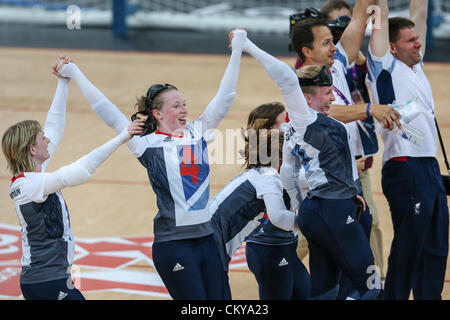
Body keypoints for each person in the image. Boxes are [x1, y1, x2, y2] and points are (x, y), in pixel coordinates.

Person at [55, 30, 248, 300]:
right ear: (157, 114)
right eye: (176, 106)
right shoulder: (145, 143)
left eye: (185, 104)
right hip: (174, 245)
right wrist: (74, 73)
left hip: (208, 239)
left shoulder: (198, 131)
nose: (184, 109)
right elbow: (107, 110)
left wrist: (238, 49)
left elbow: (226, 96)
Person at [241, 33, 380, 299]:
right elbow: (284, 76)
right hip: (333, 208)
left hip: (318, 209)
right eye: (327, 93)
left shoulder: (297, 128)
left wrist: (303, 202)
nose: (332, 99)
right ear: (306, 99)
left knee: (325, 288)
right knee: (369, 286)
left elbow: (289, 171)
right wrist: (247, 46)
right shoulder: (304, 120)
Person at [1, 56, 141, 300]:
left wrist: (64, 81)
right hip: (48, 281)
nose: (48, 140)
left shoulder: (30, 176)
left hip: (47, 279)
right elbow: (80, 171)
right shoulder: (31, 184)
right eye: (42, 138)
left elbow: (55, 124)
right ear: (32, 149)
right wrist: (122, 136)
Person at [367, 0, 449, 300]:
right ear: (391, 47)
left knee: (436, 248)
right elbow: (382, 16)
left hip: (427, 167)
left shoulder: (417, 67)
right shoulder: (384, 67)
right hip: (404, 166)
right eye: (411, 40)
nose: (418, 44)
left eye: (418, 39)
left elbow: (420, 13)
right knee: (409, 249)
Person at [209, 112, 310, 299]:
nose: (296, 163)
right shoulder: (267, 177)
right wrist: (313, 224)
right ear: (278, 160)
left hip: (210, 241)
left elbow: (305, 177)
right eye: (292, 158)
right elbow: (278, 217)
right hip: (208, 245)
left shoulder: (267, 172)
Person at [322, 0, 386, 291]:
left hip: (355, 163)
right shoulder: (304, 76)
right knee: (307, 236)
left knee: (369, 224)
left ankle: (375, 284)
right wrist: (370, 109)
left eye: (343, 24)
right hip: (324, 177)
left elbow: (360, 20)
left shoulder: (338, 62)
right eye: (329, 36)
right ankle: (274, 259)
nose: (337, 36)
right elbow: (326, 113)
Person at [240, 102, 311, 300]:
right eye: (285, 122)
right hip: (268, 251)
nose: (290, 125)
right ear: (267, 132)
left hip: (284, 247)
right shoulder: (267, 167)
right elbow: (298, 179)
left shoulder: (282, 157)